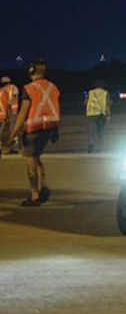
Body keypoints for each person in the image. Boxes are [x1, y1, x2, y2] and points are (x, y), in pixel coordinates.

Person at [8, 59, 61, 206]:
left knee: (30, 160)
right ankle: (43, 186)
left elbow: (22, 114)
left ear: (31, 71)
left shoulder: (29, 89)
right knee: (36, 156)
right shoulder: (53, 87)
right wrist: (56, 130)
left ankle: (34, 195)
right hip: (49, 128)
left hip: (34, 129)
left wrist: (13, 135)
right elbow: (55, 108)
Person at [85, 79, 111, 153]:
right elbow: (107, 105)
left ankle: (91, 144)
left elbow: (86, 102)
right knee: (100, 132)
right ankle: (99, 147)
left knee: (92, 131)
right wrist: (108, 115)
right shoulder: (105, 93)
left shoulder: (90, 92)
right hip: (101, 115)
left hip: (91, 114)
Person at [0, 76, 18, 155]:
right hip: (10, 112)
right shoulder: (12, 88)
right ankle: (13, 148)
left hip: (9, 112)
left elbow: (10, 101)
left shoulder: (3, 90)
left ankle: (12, 148)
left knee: (10, 130)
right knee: (12, 130)